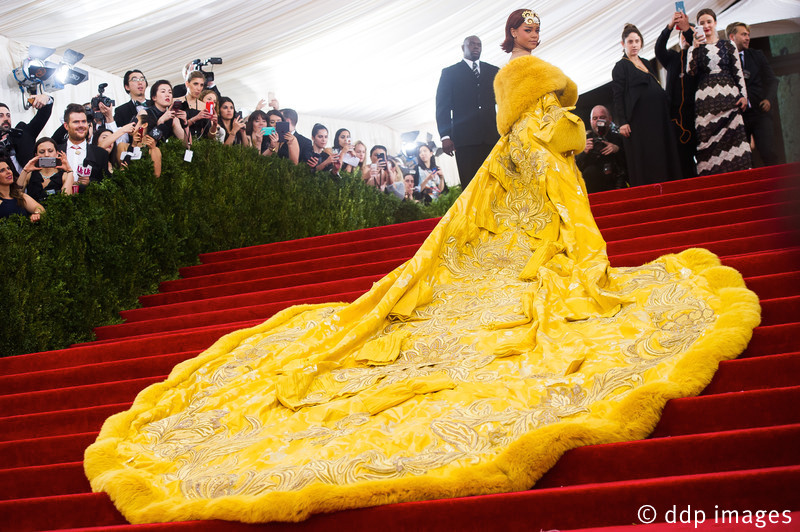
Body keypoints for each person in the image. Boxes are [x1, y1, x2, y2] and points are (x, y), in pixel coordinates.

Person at [85, 8, 760, 526]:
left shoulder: (526, 119)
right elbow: (562, 165)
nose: (533, 31)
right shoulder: (525, 112)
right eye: (525, 26)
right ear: (511, 44)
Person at [612, 23, 681, 187]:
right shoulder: (620, 66)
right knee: (647, 158)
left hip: (657, 119)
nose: (634, 44)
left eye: (637, 41)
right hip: (639, 123)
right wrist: (623, 122)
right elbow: (618, 95)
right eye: (630, 41)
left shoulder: (645, 62)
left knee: (662, 154)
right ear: (623, 44)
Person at [687, 9, 751, 176]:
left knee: (736, 146)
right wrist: (694, 47)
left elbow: (738, 72)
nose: (706, 26)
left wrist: (744, 95)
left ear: (715, 23)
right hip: (705, 105)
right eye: (702, 23)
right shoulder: (694, 48)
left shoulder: (728, 46)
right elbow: (690, 72)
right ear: (697, 27)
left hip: (730, 100)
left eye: (709, 21)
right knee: (706, 144)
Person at [436, 35, 500, 188]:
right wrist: (445, 136)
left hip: (491, 138)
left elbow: (503, 102)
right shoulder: (450, 73)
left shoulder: (493, 71)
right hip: (464, 140)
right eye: (471, 44)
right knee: (470, 184)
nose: (476, 47)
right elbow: (442, 106)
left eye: (479, 45)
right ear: (463, 48)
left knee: (493, 183)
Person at [727, 21, 780, 166]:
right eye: (743, 34)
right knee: (744, 159)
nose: (747, 38)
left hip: (760, 113)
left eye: (748, 35)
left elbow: (773, 80)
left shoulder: (757, 55)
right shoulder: (725, 60)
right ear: (732, 36)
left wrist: (768, 99)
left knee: (767, 152)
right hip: (739, 116)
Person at [655, 11, 697, 179]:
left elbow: (695, 44)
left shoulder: (700, 57)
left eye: (689, 35)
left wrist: (688, 30)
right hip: (675, 118)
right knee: (681, 159)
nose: (686, 38)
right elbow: (658, 49)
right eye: (683, 35)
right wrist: (670, 26)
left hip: (696, 114)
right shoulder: (672, 58)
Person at [58, 104, 109, 193]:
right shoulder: (56, 151)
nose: (81, 125)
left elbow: (106, 183)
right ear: (66, 126)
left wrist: (90, 182)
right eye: (76, 122)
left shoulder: (100, 154)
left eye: (84, 121)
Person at [576, 105, 627, 192]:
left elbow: (628, 165)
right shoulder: (583, 140)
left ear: (610, 119)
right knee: (590, 172)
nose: (598, 121)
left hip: (615, 183)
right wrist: (583, 152)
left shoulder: (618, 138)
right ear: (590, 121)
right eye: (595, 118)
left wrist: (617, 150)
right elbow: (574, 169)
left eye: (602, 117)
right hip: (592, 186)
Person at [0, 94, 53, 173]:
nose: (6, 119)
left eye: (8, 115)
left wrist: (46, 99)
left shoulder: (22, 133)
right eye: (1, 116)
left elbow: (42, 116)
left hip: (31, 182)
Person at [146, 80, 187, 145]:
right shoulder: (146, 114)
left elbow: (186, 144)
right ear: (154, 97)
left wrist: (185, 123)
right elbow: (149, 143)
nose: (167, 95)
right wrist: (161, 121)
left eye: (170, 92)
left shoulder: (173, 117)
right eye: (163, 92)